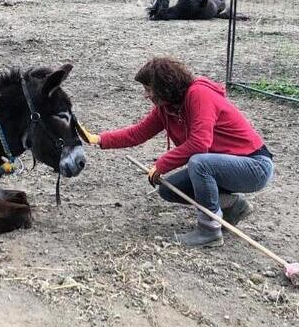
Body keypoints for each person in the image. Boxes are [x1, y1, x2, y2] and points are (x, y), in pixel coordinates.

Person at [79, 57, 274, 248]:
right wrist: (98, 139)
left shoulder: (199, 95)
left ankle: (209, 231)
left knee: (199, 162)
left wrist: (162, 164)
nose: (146, 95)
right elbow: (137, 133)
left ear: (165, 86)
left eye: (149, 89)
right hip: (226, 166)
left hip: (254, 166)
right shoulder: (167, 108)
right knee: (169, 188)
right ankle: (232, 206)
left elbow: (199, 143)